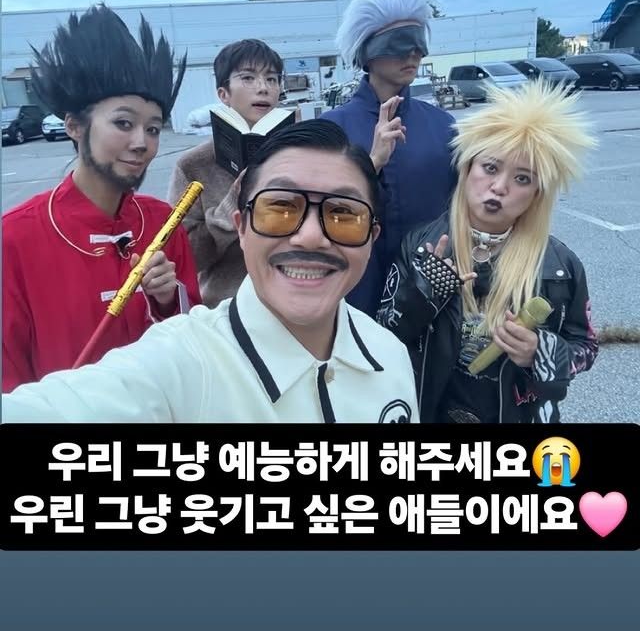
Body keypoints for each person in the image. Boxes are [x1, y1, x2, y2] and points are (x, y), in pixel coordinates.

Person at [3, 120, 419, 424]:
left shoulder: (389, 354)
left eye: (343, 213)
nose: (310, 236)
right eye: (280, 207)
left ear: (372, 236)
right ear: (241, 228)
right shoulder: (180, 364)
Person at [2, 5, 201, 391]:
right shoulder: (14, 238)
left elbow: (195, 342)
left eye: (153, 128)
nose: (141, 142)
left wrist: (166, 300)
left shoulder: (164, 222)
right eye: (123, 123)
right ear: (74, 126)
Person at [376, 79, 599, 424]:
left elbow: (585, 346)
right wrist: (423, 294)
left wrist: (539, 351)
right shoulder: (420, 245)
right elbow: (384, 336)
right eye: (490, 167)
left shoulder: (559, 266)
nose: (499, 187)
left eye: (522, 178)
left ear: (537, 193)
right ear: (467, 168)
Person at [321, 0, 456, 318]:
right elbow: (318, 211)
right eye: (399, 43)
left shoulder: (444, 127)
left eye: (419, 42)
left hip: (429, 294)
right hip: (351, 293)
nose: (414, 53)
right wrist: (371, 164)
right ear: (367, 52)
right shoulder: (330, 129)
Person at [167, 39, 285, 308]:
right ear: (223, 94)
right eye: (248, 78)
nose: (263, 87)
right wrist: (230, 207)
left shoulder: (299, 154)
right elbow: (185, 257)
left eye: (272, 79)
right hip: (225, 308)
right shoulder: (193, 165)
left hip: (291, 301)